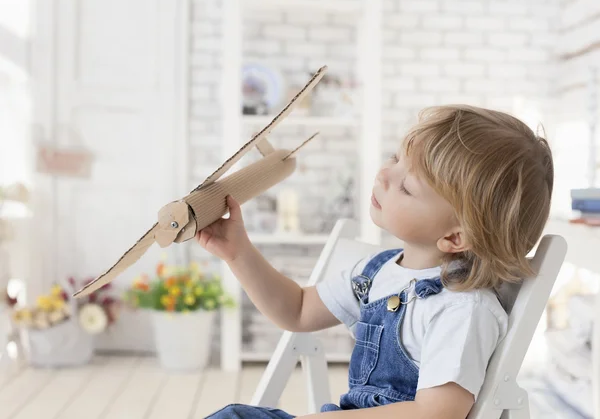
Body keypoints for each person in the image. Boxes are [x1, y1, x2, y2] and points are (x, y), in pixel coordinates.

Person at [196, 105, 554, 419]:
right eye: (396, 158)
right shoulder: (377, 272)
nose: (384, 174)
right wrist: (238, 252)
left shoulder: (461, 309)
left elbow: (437, 413)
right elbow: (298, 310)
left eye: (407, 187)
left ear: (455, 237)